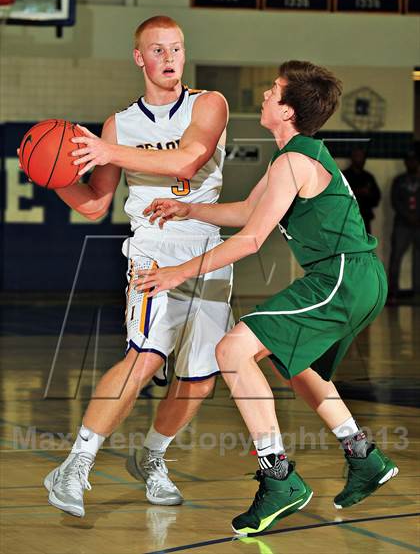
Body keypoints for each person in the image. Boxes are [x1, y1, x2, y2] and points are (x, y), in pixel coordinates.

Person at [136, 61, 398, 535]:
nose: (263, 95)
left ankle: (279, 479)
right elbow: (247, 211)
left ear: (288, 110)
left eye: (272, 91)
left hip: (341, 276)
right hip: (355, 278)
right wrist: (188, 208)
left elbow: (251, 239)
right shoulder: (296, 156)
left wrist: (177, 273)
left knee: (232, 349)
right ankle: (364, 457)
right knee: (298, 369)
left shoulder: (294, 161)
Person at [39, 15, 232, 517]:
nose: (170, 59)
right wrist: (52, 174)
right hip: (153, 248)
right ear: (139, 58)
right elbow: (93, 204)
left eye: (177, 49)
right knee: (145, 357)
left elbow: (189, 160)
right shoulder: (119, 124)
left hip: (208, 249)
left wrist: (109, 151)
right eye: (158, 50)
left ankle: (151, 457)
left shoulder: (209, 104)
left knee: (200, 380)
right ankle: (76, 464)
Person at [388, 150, 420, 302]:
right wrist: (408, 216)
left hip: (419, 224)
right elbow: (395, 201)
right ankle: (392, 292)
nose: (411, 163)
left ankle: (417, 291)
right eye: (409, 160)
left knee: (418, 259)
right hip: (402, 223)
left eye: (414, 160)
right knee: (396, 257)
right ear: (405, 163)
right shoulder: (399, 180)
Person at [343, 147, 381, 233]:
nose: (359, 159)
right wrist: (356, 192)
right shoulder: (344, 176)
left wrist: (368, 194)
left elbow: (377, 197)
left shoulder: (368, 177)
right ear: (352, 158)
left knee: (364, 245)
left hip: (364, 218)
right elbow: (337, 197)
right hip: (347, 219)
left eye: (361, 157)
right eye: (357, 156)